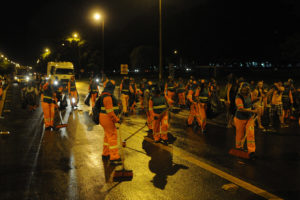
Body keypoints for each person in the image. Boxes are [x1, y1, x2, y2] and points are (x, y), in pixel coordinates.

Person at [96, 79, 122, 165]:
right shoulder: (107, 96)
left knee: (107, 136)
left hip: (104, 118)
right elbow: (110, 111)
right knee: (112, 136)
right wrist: (117, 119)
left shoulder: (105, 94)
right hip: (107, 118)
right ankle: (114, 157)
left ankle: (106, 153)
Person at [234, 82, 258, 158]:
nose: (244, 91)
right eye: (243, 90)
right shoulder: (238, 97)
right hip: (240, 118)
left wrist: (257, 100)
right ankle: (239, 147)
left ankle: (251, 151)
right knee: (240, 134)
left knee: (250, 133)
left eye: (245, 90)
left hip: (249, 118)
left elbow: (250, 102)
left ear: (248, 89)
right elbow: (240, 109)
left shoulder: (250, 94)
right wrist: (253, 111)